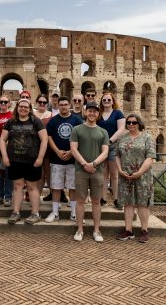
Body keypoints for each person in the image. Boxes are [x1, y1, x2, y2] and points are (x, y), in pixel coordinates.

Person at [0, 98, 48, 225]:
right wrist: (4, 156)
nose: (23, 109)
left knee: (32, 187)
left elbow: (44, 140)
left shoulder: (36, 122)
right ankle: (16, 212)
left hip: (32, 161)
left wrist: (40, 157)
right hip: (15, 160)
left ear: (30, 109)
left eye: (26, 107)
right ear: (17, 107)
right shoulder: (10, 122)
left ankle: (35, 213)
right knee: (17, 186)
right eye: (21, 106)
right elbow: (2, 140)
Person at [70, 101, 109, 242]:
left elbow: (105, 152)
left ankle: (97, 230)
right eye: (90, 111)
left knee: (96, 201)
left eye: (95, 111)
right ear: (85, 112)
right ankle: (80, 229)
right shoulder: (77, 129)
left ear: (98, 114)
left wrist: (93, 163)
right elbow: (73, 149)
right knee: (80, 201)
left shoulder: (103, 132)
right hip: (81, 170)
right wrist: (84, 164)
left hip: (97, 171)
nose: (92, 114)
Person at [115, 114, 156, 243]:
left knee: (143, 203)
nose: (131, 125)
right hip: (125, 175)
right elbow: (116, 155)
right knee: (128, 203)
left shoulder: (147, 138)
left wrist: (140, 172)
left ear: (139, 123)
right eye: (128, 122)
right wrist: (120, 170)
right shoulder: (122, 138)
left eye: (134, 122)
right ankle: (128, 230)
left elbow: (150, 157)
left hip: (143, 176)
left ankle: (144, 230)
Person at [45, 96, 83, 223]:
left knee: (73, 187)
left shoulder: (77, 120)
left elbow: (80, 139)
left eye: (66, 104)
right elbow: (49, 137)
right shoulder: (53, 121)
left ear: (70, 105)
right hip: (57, 158)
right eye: (61, 105)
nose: (64, 107)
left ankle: (73, 212)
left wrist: (72, 152)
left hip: (73, 159)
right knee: (56, 187)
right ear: (58, 105)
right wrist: (56, 151)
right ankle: (55, 212)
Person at [97, 91, 126, 210]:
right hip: (101, 146)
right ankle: (102, 198)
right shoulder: (99, 114)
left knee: (114, 174)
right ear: (101, 102)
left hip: (113, 146)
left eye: (109, 100)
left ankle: (116, 199)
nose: (107, 102)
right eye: (104, 100)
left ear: (113, 101)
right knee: (103, 175)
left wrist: (109, 141)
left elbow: (121, 130)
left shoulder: (117, 113)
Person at [0, 95, 13, 206]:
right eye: (2, 102)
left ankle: (8, 196)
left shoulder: (12, 116)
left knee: (8, 172)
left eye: (6, 102)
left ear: (9, 103)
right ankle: (0, 194)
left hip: (9, 147)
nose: (4, 104)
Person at [33, 93, 53, 200]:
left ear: (47, 103)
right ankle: (36, 196)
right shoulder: (32, 114)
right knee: (38, 174)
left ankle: (53, 196)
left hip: (48, 147)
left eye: (44, 102)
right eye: (40, 102)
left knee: (49, 172)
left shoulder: (51, 115)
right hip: (34, 147)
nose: (42, 104)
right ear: (37, 102)